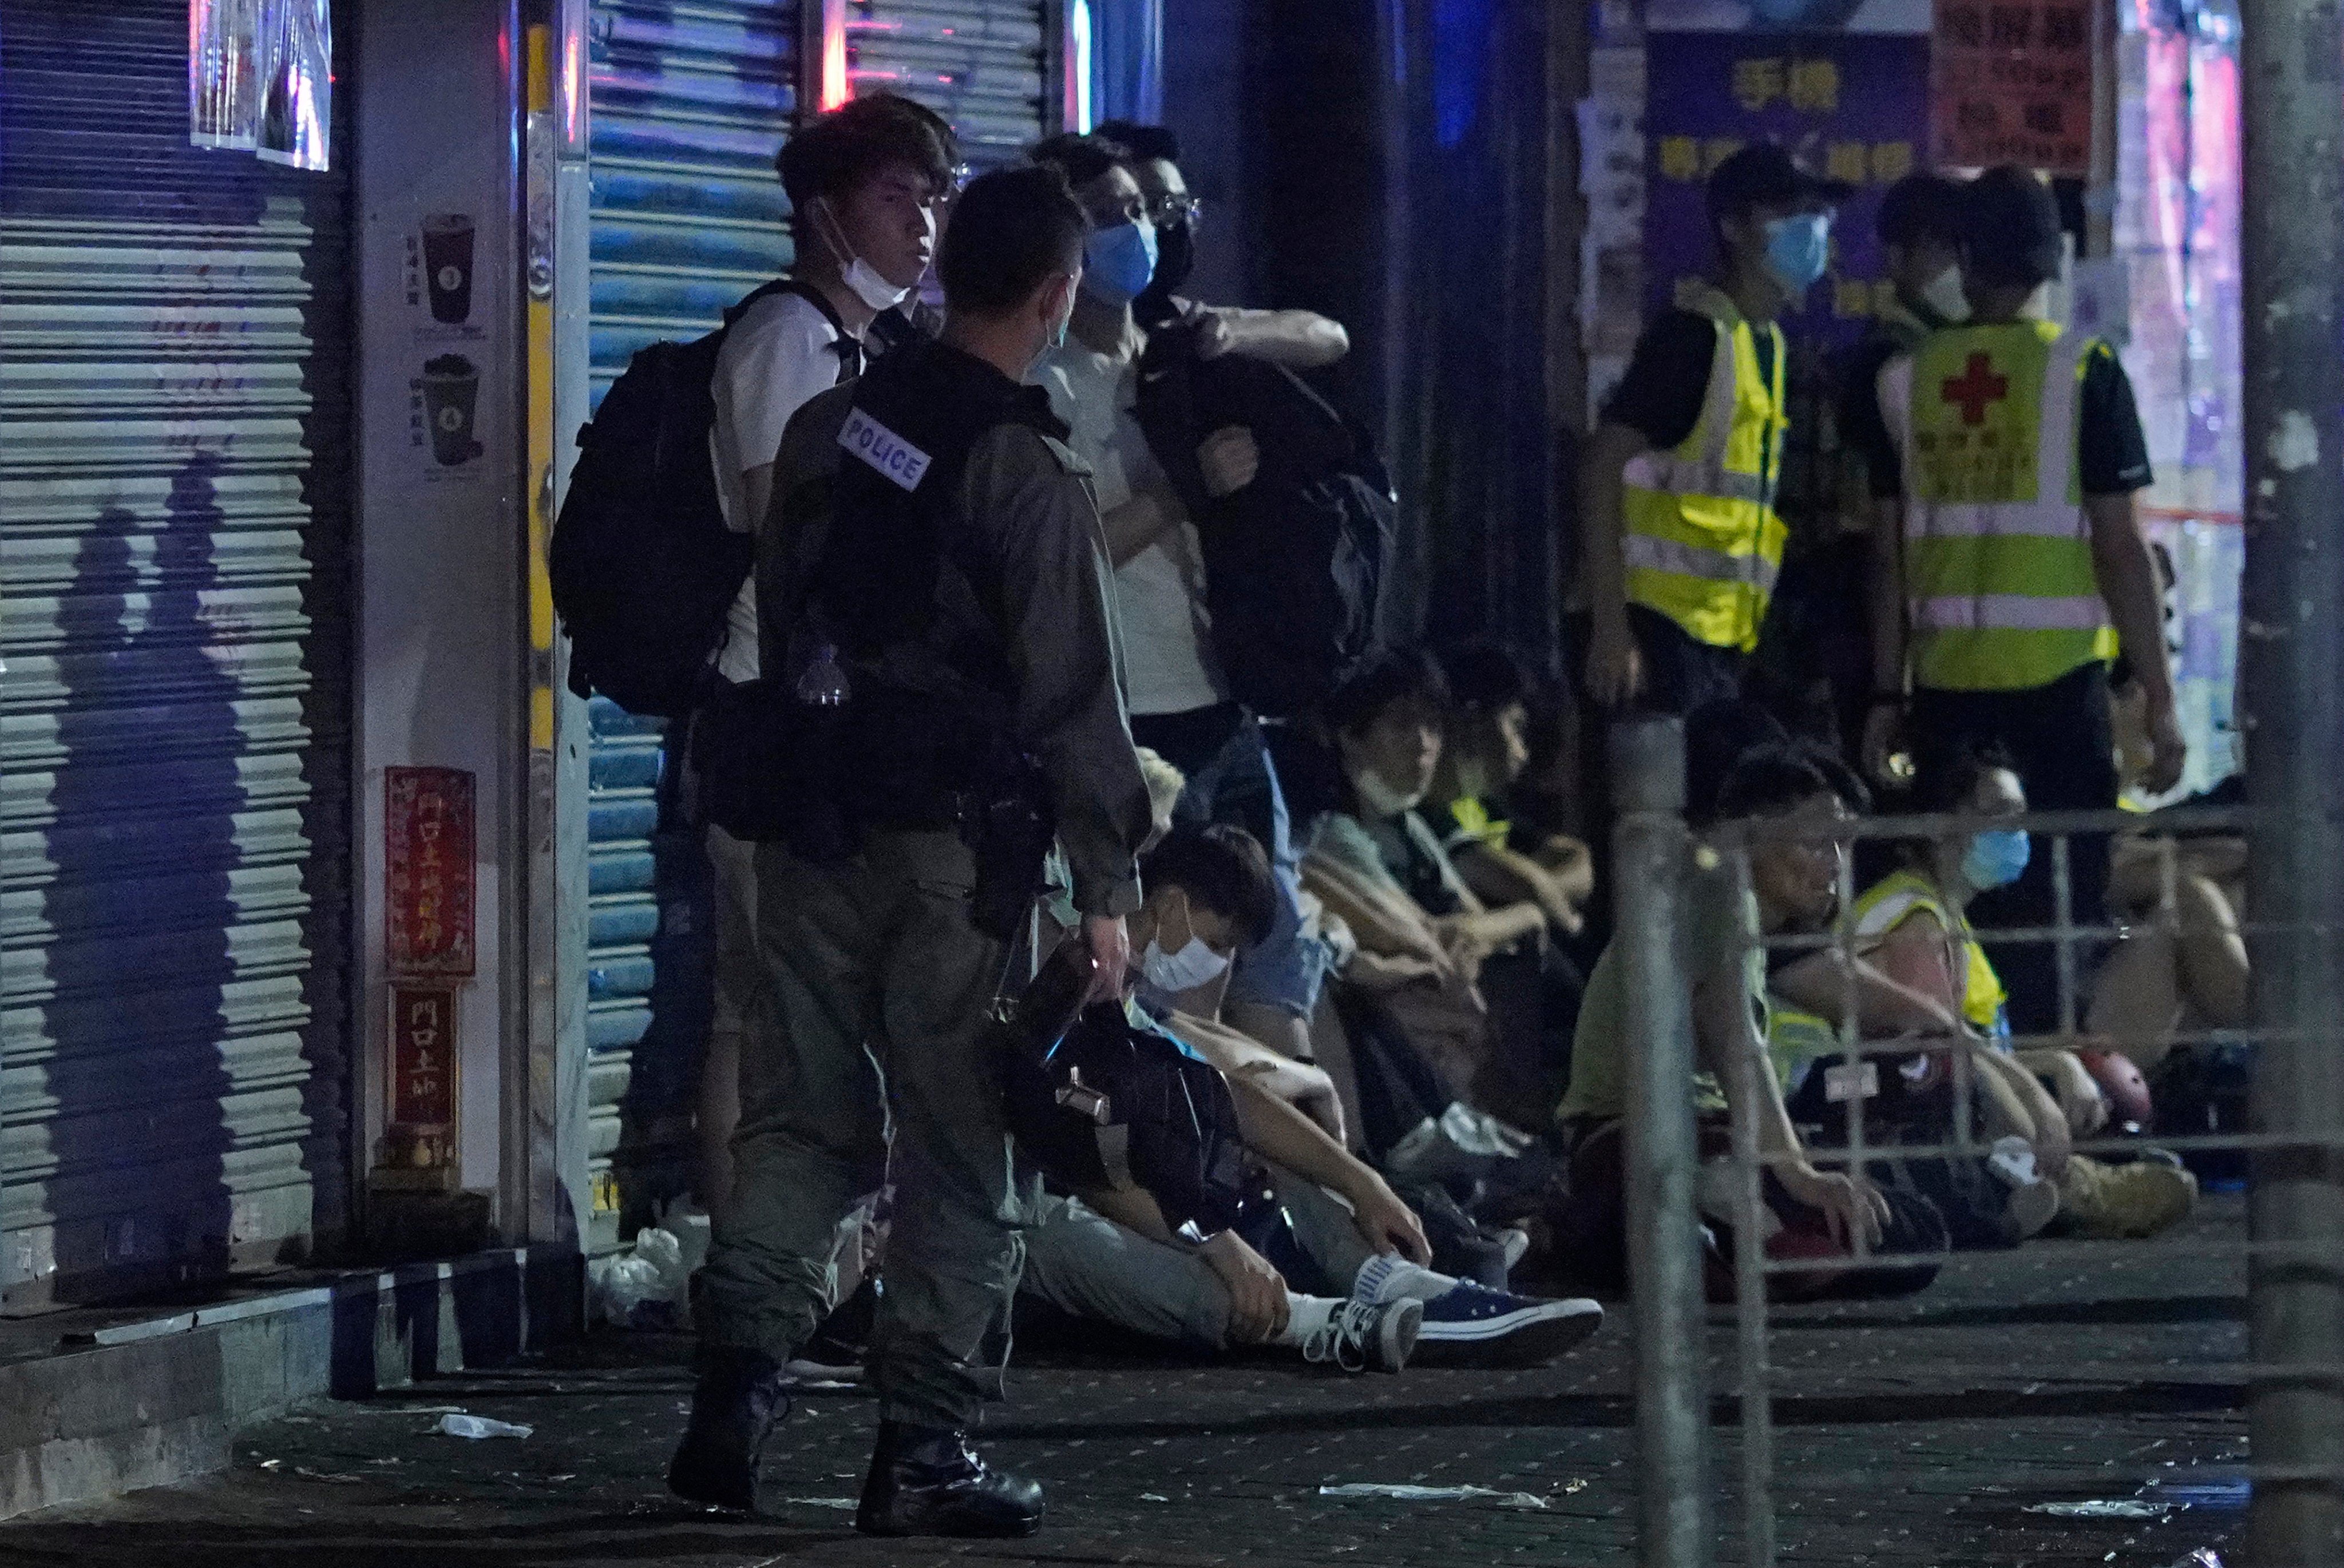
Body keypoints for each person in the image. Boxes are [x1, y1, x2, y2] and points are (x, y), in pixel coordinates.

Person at [668, 165, 1155, 1541]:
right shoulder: (1030, 468)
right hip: (960, 859)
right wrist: (1106, 893)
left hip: (813, 825)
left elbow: (781, 600)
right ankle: (921, 1447)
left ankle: (737, 1385)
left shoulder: (831, 425)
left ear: (947, 273)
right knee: (958, 1144)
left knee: (799, 1116)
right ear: (1058, 295)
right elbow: (1075, 701)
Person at [1018, 825, 1605, 1368]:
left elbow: (1224, 1092)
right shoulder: (1056, 975)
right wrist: (1213, 1240)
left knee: (1261, 1144)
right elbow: (1075, 1156)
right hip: (1029, 1205)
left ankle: (1396, 1285)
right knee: (1077, 1232)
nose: (1218, 963)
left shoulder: (1119, 989)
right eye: (1218, 943)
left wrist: (1360, 1183)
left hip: (1108, 1177)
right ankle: (1324, 1324)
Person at [693, 94, 957, 1214]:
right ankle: (738, 1264)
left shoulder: (871, 346)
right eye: (896, 198)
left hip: (838, 725)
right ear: (823, 213)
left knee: (820, 1013)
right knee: (757, 1010)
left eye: (934, 201)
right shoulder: (786, 342)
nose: (923, 226)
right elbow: (782, 532)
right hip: (771, 716)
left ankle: (815, 1262)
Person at [1026, 133, 1328, 1070]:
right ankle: (1180, 1190)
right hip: (1137, 733)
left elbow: (1327, 337)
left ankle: (1306, 1203)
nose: (1138, 231)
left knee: (1271, 964)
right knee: (1156, 994)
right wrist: (1179, 490)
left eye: (1141, 212)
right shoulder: (1044, 384)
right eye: (1108, 216)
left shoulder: (1171, 353)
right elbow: (1063, 561)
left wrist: (1230, 334)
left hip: (1227, 711)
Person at [1861, 165, 2185, 1036]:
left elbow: (1887, 561)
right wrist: (2158, 697)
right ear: (2051, 262)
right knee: (2059, 921)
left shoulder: (1904, 381)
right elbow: (2121, 552)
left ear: (1965, 262)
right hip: (2058, 700)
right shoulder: (2085, 373)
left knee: (1955, 906)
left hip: (1946, 702)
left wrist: (1886, 697)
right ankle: (2049, 1110)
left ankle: (1968, 1105)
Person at [1553, 747, 1950, 1302]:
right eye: (1816, 840)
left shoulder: (1724, 903)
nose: (1836, 862)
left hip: (1703, 1135)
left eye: (1842, 842)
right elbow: (1734, 1039)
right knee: (1860, 1233)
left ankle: (1677, 1239)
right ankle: (1621, 1234)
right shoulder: (1718, 893)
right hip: (1631, 1139)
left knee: (1910, 1226)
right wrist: (1798, 1173)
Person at [1846, 743, 2198, 1240]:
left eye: (2020, 818)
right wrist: (2045, 1073)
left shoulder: (1942, 911)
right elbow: (1943, 1050)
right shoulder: (1915, 920)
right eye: (1999, 816)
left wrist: (2058, 1060)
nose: (2016, 834)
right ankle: (2070, 1187)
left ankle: (2067, 1178)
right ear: (1938, 826)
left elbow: (1981, 1043)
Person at [1575, 142, 1853, 719]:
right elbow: (1601, 466)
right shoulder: (1692, 337)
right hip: (1654, 633)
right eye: (1784, 214)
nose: (1810, 230)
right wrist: (1611, 626)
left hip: (1724, 640)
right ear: (1731, 227)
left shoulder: (1770, 346)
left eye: (1818, 215)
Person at [1092, 118, 1351, 365]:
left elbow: (1329, 336)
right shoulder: (1060, 334)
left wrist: (1233, 333)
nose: (1176, 226)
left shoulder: (1176, 319)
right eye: (1160, 206)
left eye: (1183, 208)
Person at [1427, 643, 1596, 941]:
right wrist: (1555, 912)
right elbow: (1523, 884)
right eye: (1516, 727)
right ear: (1475, 718)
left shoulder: (1478, 803)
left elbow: (1579, 861)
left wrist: (1525, 901)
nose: (1523, 752)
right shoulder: (1430, 802)